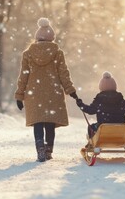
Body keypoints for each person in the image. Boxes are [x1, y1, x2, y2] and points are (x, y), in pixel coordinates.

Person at [15, 17, 78, 162]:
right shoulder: (57, 53)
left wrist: (19, 95)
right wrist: (70, 90)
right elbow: (64, 73)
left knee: (37, 122)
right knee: (50, 122)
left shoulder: (28, 54)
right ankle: (49, 149)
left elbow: (23, 76)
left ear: (37, 38)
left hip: (34, 93)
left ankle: (40, 149)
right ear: (52, 38)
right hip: (53, 92)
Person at [76, 71, 125, 138]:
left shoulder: (99, 101)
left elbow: (90, 110)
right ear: (115, 87)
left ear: (101, 87)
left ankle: (92, 144)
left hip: (104, 131)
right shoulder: (121, 100)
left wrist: (81, 105)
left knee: (91, 127)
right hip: (120, 131)